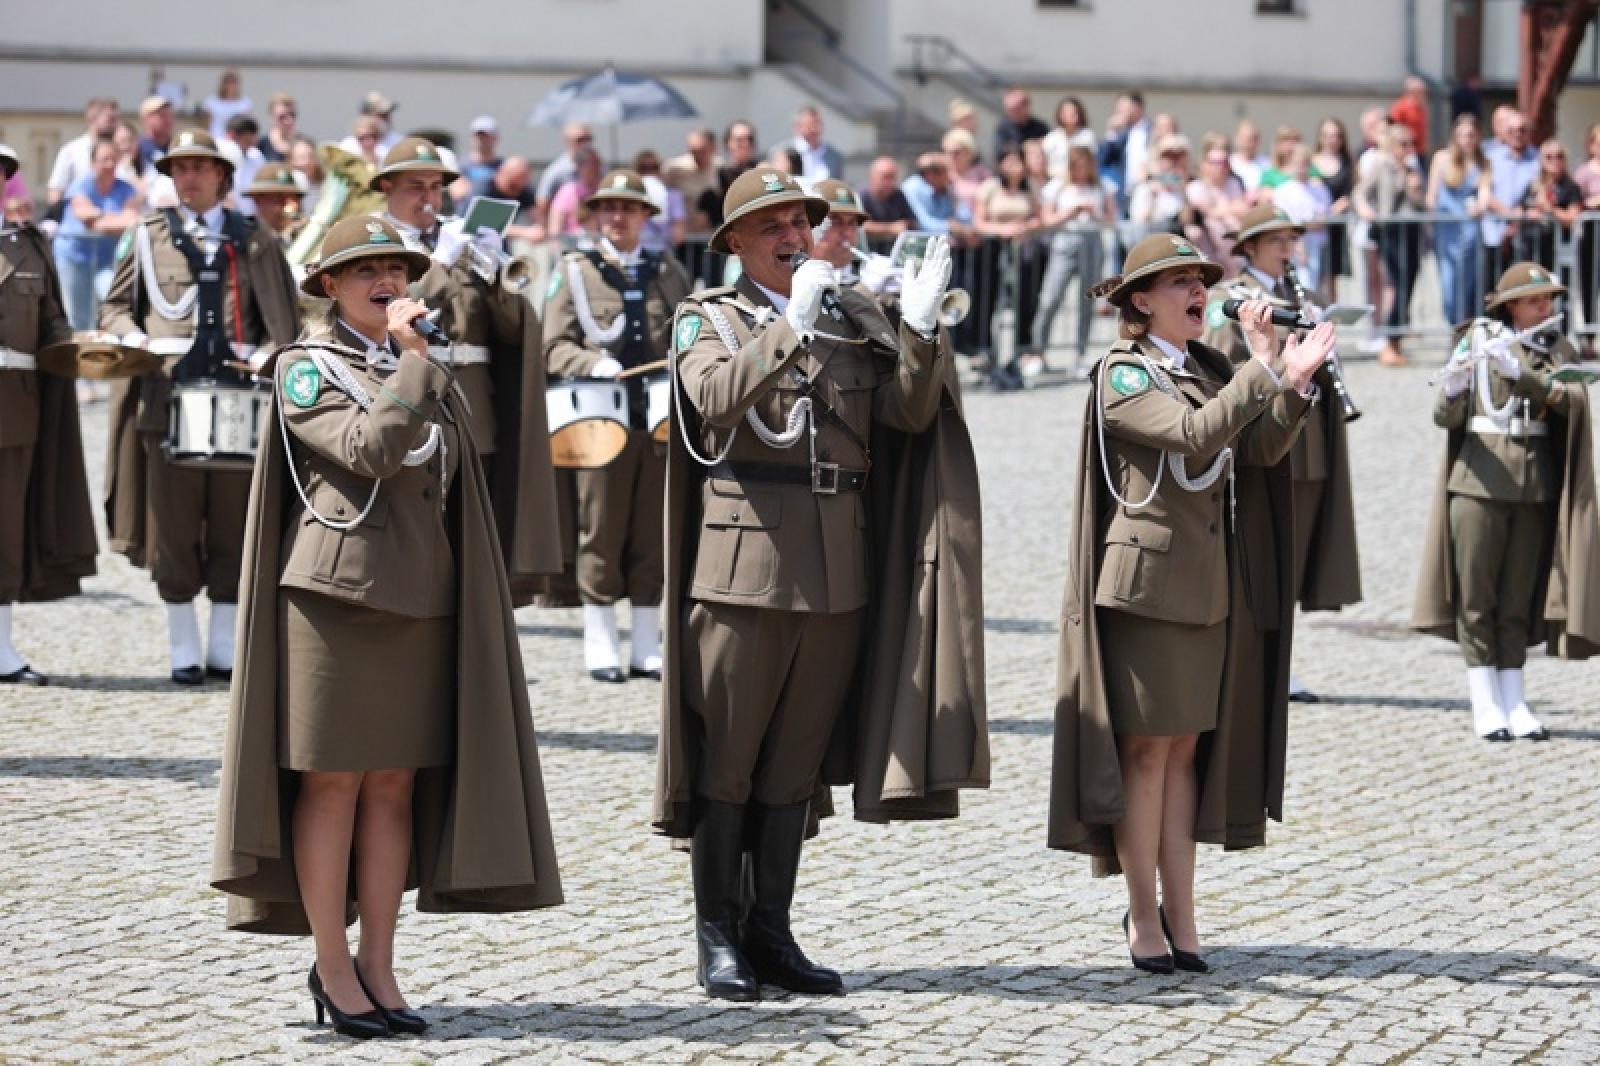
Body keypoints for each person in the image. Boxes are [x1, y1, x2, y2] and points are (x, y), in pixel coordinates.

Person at [210, 214, 563, 1038]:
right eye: (364, 270)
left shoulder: (415, 363)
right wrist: (414, 363)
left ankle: (380, 964)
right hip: (334, 604)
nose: (386, 282)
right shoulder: (305, 368)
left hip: (419, 596)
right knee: (333, 782)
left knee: (396, 785)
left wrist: (414, 363)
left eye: (396, 270)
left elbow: (445, 471)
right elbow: (369, 449)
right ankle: (333, 966)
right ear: (329, 287)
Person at [656, 166, 987, 1001]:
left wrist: (915, 329)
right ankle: (717, 935)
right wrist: (787, 325)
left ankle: (773, 930)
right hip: (745, 565)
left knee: (793, 769)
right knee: (728, 762)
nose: (791, 235)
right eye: (769, 225)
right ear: (733, 243)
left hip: (839, 565)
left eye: (799, 221)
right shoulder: (709, 319)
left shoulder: (846, 318)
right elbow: (716, 403)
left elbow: (909, 415)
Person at [1050, 232, 1334, 975]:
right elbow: (1193, 434)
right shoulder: (1121, 373)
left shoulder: (1207, 367)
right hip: (1148, 590)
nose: (1197, 292)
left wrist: (1293, 385)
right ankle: (1142, 914)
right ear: (1140, 301)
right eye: (1178, 282)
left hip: (1209, 587)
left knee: (1184, 758)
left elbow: (1258, 451)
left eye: (1199, 280)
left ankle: (1184, 913)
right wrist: (1261, 368)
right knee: (1147, 755)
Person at [98, 129, 302, 683]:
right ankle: (182, 644)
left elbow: (283, 319)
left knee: (236, 521)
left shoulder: (254, 238)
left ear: (222, 176)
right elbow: (115, 310)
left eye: (200, 167)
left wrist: (268, 354)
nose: (189, 177)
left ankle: (223, 646)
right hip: (167, 399)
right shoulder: (147, 236)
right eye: (179, 168)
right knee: (175, 521)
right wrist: (133, 338)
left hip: (240, 400)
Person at [1413, 263, 1600, 740]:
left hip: (1533, 487)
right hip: (1476, 483)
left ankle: (1514, 698)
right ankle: (1485, 701)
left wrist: (1526, 376)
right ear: (1510, 305)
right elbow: (1445, 415)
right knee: (1478, 599)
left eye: (1550, 300)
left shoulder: (1554, 348)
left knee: (1517, 601)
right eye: (1536, 300)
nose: (1546, 308)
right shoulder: (1476, 340)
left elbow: (1573, 401)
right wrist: (1455, 385)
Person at [373, 137, 560, 602]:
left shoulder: (456, 240)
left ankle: (473, 613)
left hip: (475, 403)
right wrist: (439, 264)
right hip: (409, 391)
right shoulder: (376, 240)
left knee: (474, 523)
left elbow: (513, 332)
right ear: (386, 187)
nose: (428, 198)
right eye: (416, 186)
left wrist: (495, 276)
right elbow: (394, 307)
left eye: (436, 188)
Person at [1202, 203, 1363, 702]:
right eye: (1275, 241)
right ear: (1249, 247)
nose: (1286, 249)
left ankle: (1279, 664)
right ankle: (1245, 661)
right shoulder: (1232, 300)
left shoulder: (1304, 295)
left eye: (1290, 240)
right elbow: (1216, 366)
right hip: (1261, 433)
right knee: (1257, 556)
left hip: (1307, 439)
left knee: (1291, 559)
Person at [543, 169, 691, 682]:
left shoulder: (666, 270)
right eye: (608, 208)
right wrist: (592, 364)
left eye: (628, 208)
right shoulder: (576, 271)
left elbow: (689, 335)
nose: (618, 217)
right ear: (595, 215)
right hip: (598, 418)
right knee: (600, 528)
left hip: (657, 420)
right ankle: (600, 638)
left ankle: (646, 641)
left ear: (646, 217)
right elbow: (553, 345)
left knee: (653, 528)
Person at [0, 144, 97, 685]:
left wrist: (81, 347)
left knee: (5, 529)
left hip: (13, 406)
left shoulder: (29, 248)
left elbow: (52, 323)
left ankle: (0, 647)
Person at [1028, 144, 1114, 377]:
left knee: (1087, 300)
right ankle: (1038, 350)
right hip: (1065, 240)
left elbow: (1111, 219)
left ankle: (1080, 353)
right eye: (1076, 164)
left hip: (1091, 240)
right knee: (1051, 296)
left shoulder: (1101, 187)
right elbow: (1047, 219)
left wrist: (1093, 213)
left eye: (1085, 164)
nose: (1081, 169)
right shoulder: (1057, 187)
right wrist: (1070, 213)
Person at [1355, 124, 1425, 366]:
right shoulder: (1382, 165)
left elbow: (1419, 203)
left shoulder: (1412, 168)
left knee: (1410, 282)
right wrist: (1366, 210)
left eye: (1410, 144)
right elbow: (1361, 192)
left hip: (1411, 231)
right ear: (1392, 145)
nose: (1408, 149)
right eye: (1403, 144)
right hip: (1390, 231)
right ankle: (1389, 341)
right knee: (1399, 283)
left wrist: (1415, 187)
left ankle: (1397, 339)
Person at [55, 137, 140, 330]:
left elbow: (131, 221)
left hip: (105, 261)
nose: (109, 164)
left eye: (113, 158)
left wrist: (99, 217)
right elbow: (85, 217)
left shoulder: (125, 188)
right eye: (104, 159)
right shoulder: (81, 185)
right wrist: (112, 218)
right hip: (74, 258)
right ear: (93, 162)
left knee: (111, 299)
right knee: (78, 316)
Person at [974, 143, 1043, 385]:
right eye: (1011, 161)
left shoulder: (1028, 189)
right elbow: (979, 222)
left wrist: (1025, 227)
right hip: (993, 251)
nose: (1016, 167)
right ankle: (987, 352)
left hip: (1023, 253)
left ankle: (1019, 351)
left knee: (1024, 302)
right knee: (990, 303)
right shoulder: (990, 188)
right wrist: (1002, 230)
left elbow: (1039, 217)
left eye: (1019, 161)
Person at [1427, 114, 1492, 325]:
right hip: (1447, 230)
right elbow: (1431, 197)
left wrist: (1479, 206)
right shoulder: (1441, 158)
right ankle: (1452, 323)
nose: (1467, 140)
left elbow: (1484, 194)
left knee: (1468, 285)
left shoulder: (1482, 162)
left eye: (1471, 135)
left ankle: (1462, 329)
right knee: (1448, 284)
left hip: (1471, 232)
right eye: (1463, 135)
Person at [1482, 109, 1539, 282]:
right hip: (1494, 234)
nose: (1517, 134)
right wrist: (1508, 213)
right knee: (1493, 286)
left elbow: (1539, 191)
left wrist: (1519, 216)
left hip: (1525, 235)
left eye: (1522, 130)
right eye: (1512, 130)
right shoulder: (1491, 157)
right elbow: (1484, 191)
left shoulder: (1538, 158)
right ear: (1505, 133)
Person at [1271, 144, 1332, 292]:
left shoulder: (1319, 189)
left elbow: (1324, 217)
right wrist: (1298, 244)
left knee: (1316, 286)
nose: (1301, 168)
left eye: (1305, 163)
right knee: (1298, 284)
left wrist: (1309, 223)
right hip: (1294, 244)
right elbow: (1286, 221)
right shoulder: (1284, 191)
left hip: (1318, 243)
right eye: (1298, 163)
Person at [1514, 138, 1582, 269]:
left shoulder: (1571, 187)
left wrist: (1550, 210)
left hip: (1557, 252)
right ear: (1542, 160)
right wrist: (1528, 215)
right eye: (1549, 157)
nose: (1555, 160)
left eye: (1559, 156)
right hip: (1531, 250)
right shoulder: (1533, 186)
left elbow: (1573, 218)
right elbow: (1518, 210)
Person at [1187, 135, 1250, 265]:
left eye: (1224, 162)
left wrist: (1220, 211)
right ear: (1205, 164)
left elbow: (1243, 210)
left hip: (1234, 252)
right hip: (1209, 251)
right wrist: (1230, 209)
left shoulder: (1234, 183)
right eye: (1215, 162)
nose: (1221, 167)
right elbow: (1208, 213)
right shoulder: (1195, 187)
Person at [1311, 117, 1355, 297]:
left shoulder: (1347, 162)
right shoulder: (1312, 162)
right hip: (1315, 227)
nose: (1332, 140)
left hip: (1336, 228)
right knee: (1314, 277)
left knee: (1331, 278)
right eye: (1327, 135)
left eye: (1336, 136)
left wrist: (1343, 204)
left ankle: (1329, 320)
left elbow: (1352, 191)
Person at [48, 98, 119, 205]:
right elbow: (56, 190)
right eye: (110, 119)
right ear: (92, 119)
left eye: (116, 120)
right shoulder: (71, 151)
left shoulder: (121, 150)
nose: (114, 125)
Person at [535, 123, 595, 223]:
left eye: (588, 139)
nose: (585, 144)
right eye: (580, 139)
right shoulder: (556, 171)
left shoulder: (598, 165)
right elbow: (542, 203)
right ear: (567, 141)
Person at [664, 128, 721, 234]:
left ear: (713, 148)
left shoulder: (721, 168)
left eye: (702, 151)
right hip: (685, 237)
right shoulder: (674, 169)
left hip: (712, 235)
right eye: (694, 151)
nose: (698, 156)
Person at [1572, 123, 1600, 331]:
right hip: (1591, 235)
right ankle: (1589, 333)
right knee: (1589, 285)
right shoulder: (1582, 172)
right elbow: (1576, 202)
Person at [244, 162, 306, 246]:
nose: (290, 204)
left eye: (295, 197)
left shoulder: (305, 231)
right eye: (279, 197)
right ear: (257, 199)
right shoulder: (247, 240)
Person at [858, 156, 918, 243]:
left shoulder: (898, 195)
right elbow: (860, 225)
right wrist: (891, 229)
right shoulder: (861, 196)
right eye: (885, 177)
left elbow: (911, 222)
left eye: (892, 177)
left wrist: (905, 225)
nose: (889, 182)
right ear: (872, 177)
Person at [547, 148, 603, 237]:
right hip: (572, 245)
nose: (597, 168)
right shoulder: (567, 192)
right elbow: (555, 229)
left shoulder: (605, 191)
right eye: (592, 164)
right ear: (579, 167)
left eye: (598, 163)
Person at [1041, 96, 1097, 180]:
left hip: (1081, 181)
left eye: (1074, 112)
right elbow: (1044, 163)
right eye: (1067, 112)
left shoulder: (1087, 136)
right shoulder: (1051, 138)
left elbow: (1092, 161)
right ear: (1060, 114)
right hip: (1055, 179)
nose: (1070, 115)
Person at [221, 114, 267, 214]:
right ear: (231, 136)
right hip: (225, 215)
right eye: (247, 141)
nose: (249, 146)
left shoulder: (256, 156)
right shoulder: (218, 156)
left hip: (252, 218)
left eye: (252, 142)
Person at [942, 128, 991, 217]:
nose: (952, 156)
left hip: (979, 224)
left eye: (956, 152)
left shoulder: (982, 174)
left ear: (969, 152)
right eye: (948, 152)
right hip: (952, 225)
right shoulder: (942, 175)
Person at [455, 115, 504, 202]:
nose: (481, 139)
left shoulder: (504, 166)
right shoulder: (460, 165)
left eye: (486, 136)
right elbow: (458, 193)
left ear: (496, 139)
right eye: (478, 135)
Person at [790, 105, 842, 185]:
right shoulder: (784, 153)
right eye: (811, 124)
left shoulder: (833, 156)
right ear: (798, 126)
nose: (816, 129)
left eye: (818, 123)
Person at [994, 88, 1050, 162]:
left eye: (1015, 109)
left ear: (1026, 107)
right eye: (1009, 110)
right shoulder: (1003, 129)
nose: (1011, 113)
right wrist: (1024, 147)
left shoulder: (1040, 127)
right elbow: (999, 152)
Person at [202, 68, 253, 142]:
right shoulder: (211, 102)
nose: (231, 85)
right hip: (216, 139)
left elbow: (247, 126)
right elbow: (206, 125)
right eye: (228, 81)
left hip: (236, 141)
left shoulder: (245, 103)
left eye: (234, 82)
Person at [1390, 75, 1431, 159]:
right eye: (1421, 92)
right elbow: (1394, 127)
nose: (1423, 95)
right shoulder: (1400, 107)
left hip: (1420, 150)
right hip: (1407, 151)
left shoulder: (1421, 107)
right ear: (1411, 92)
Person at [1230, 119, 1271, 193]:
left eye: (1254, 139)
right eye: (1246, 138)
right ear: (1236, 138)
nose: (1250, 143)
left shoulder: (1267, 164)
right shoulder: (1230, 163)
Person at [259, 92, 298, 162]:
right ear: (271, 116)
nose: (289, 121)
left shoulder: (304, 143)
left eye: (292, 115)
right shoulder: (260, 145)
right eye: (282, 117)